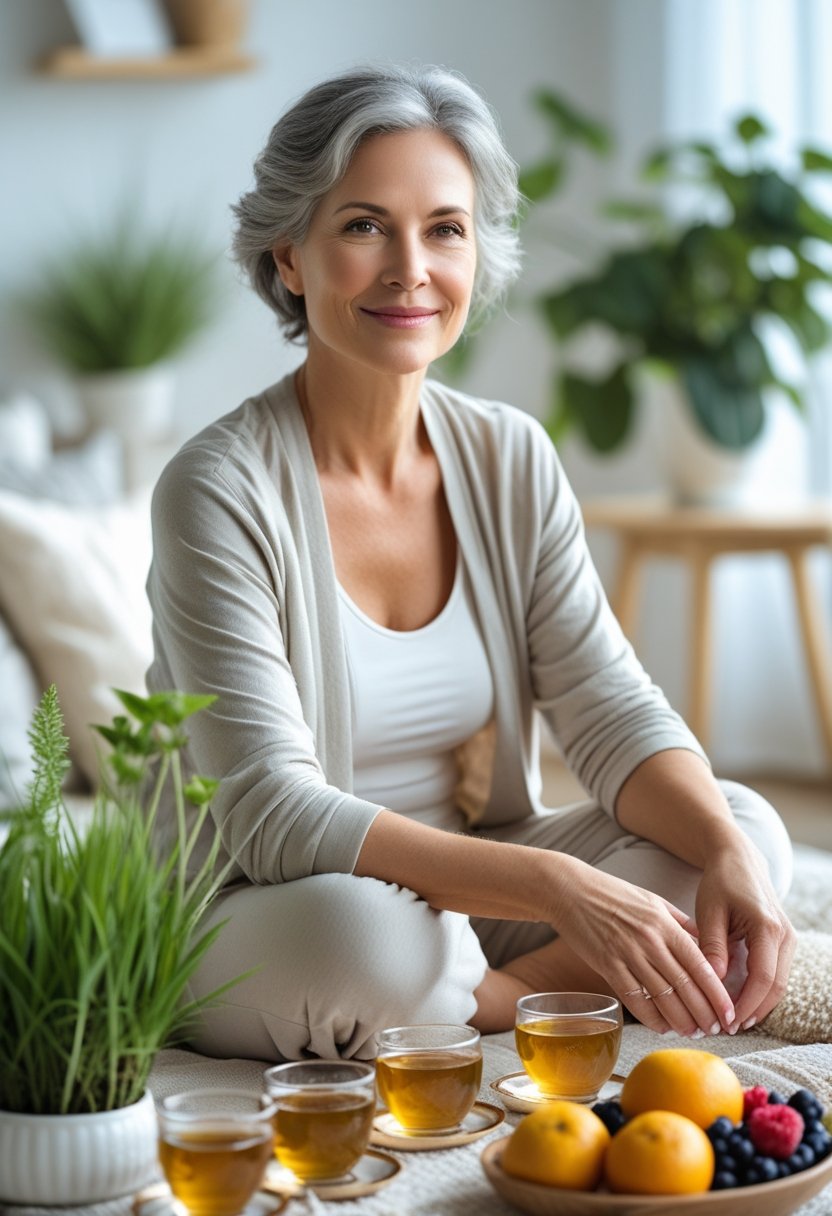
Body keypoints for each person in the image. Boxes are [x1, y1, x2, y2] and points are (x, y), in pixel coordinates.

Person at [146, 63, 795, 1063]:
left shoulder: (508, 455)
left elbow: (610, 708)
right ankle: (501, 993)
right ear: (289, 256)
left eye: (444, 228)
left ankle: (485, 1000)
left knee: (740, 830)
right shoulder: (216, 487)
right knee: (367, 942)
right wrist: (557, 889)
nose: (410, 268)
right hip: (269, 905)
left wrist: (719, 852)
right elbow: (271, 812)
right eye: (363, 226)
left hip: (473, 890)